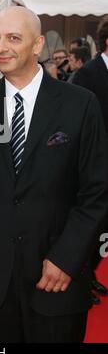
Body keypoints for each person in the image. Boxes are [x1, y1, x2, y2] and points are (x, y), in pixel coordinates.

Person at [0, 6, 108, 343]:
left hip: (57, 276)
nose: (1, 47)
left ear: (37, 44)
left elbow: (97, 192)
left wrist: (68, 257)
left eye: (14, 38)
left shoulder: (80, 104)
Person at [72, 17, 108, 303]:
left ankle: (90, 272)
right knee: (92, 223)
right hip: (94, 166)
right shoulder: (87, 75)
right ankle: (80, 277)